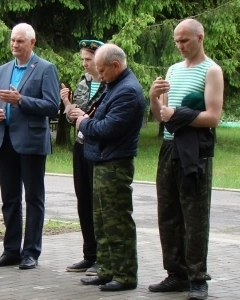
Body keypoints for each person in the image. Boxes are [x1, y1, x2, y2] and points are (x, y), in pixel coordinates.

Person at [148, 19, 224, 300]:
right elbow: (162, 116)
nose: (180, 46)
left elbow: (213, 117)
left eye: (185, 41)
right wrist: (154, 99)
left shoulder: (212, 70)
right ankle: (175, 274)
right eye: (177, 41)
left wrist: (175, 115)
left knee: (194, 215)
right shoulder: (172, 70)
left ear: (200, 37)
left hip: (195, 151)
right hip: (170, 148)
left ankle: (197, 278)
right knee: (167, 213)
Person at [0, 23, 59, 270]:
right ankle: (11, 250)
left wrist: (21, 101)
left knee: (34, 199)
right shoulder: (3, 70)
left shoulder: (46, 69)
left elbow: (52, 106)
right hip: (4, 139)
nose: (15, 45)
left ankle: (31, 252)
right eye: (12, 41)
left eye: (20, 41)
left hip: (31, 142)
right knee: (9, 199)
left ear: (32, 42)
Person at [77, 43, 145, 291]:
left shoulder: (127, 91)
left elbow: (107, 128)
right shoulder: (113, 85)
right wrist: (88, 120)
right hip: (103, 160)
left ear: (116, 66)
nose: (100, 76)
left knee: (117, 221)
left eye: (103, 71)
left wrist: (83, 123)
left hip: (115, 163)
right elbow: (97, 116)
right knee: (102, 220)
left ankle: (125, 275)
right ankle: (106, 269)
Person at [60, 39, 106, 275]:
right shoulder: (83, 83)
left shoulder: (110, 85)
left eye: (88, 60)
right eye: (83, 60)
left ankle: (102, 256)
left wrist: (82, 115)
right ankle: (89, 254)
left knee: (98, 203)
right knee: (83, 201)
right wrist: (68, 104)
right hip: (80, 145)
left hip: (99, 148)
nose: (85, 64)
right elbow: (72, 117)